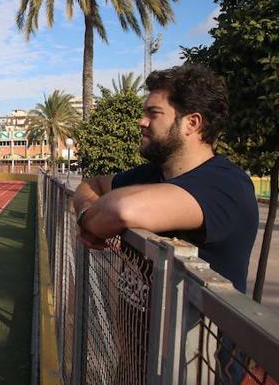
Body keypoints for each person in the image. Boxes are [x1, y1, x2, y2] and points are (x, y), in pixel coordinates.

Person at [73, 64, 259, 384]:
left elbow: (121, 209)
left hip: (194, 372)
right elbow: (91, 185)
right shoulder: (151, 175)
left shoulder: (226, 185)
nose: (141, 122)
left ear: (192, 123)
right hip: (135, 368)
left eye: (153, 113)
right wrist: (87, 215)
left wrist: (92, 219)